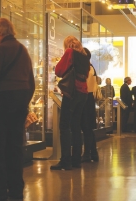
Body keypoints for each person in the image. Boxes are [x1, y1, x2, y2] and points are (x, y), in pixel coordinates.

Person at [0, 18, 35, 200]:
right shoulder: (22, 49)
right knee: (15, 147)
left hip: (2, 103)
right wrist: (24, 102)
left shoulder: (0, 50)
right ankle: (16, 190)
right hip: (19, 104)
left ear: (1, 32)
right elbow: (31, 82)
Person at [50, 36, 90, 170]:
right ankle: (76, 159)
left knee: (64, 126)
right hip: (83, 92)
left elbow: (59, 71)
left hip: (71, 92)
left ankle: (65, 160)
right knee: (76, 126)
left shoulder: (69, 52)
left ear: (67, 45)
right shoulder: (85, 54)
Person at [81, 48, 99, 163]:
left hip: (86, 99)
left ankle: (88, 153)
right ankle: (93, 153)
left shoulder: (87, 68)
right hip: (89, 99)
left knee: (86, 127)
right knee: (88, 128)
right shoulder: (91, 68)